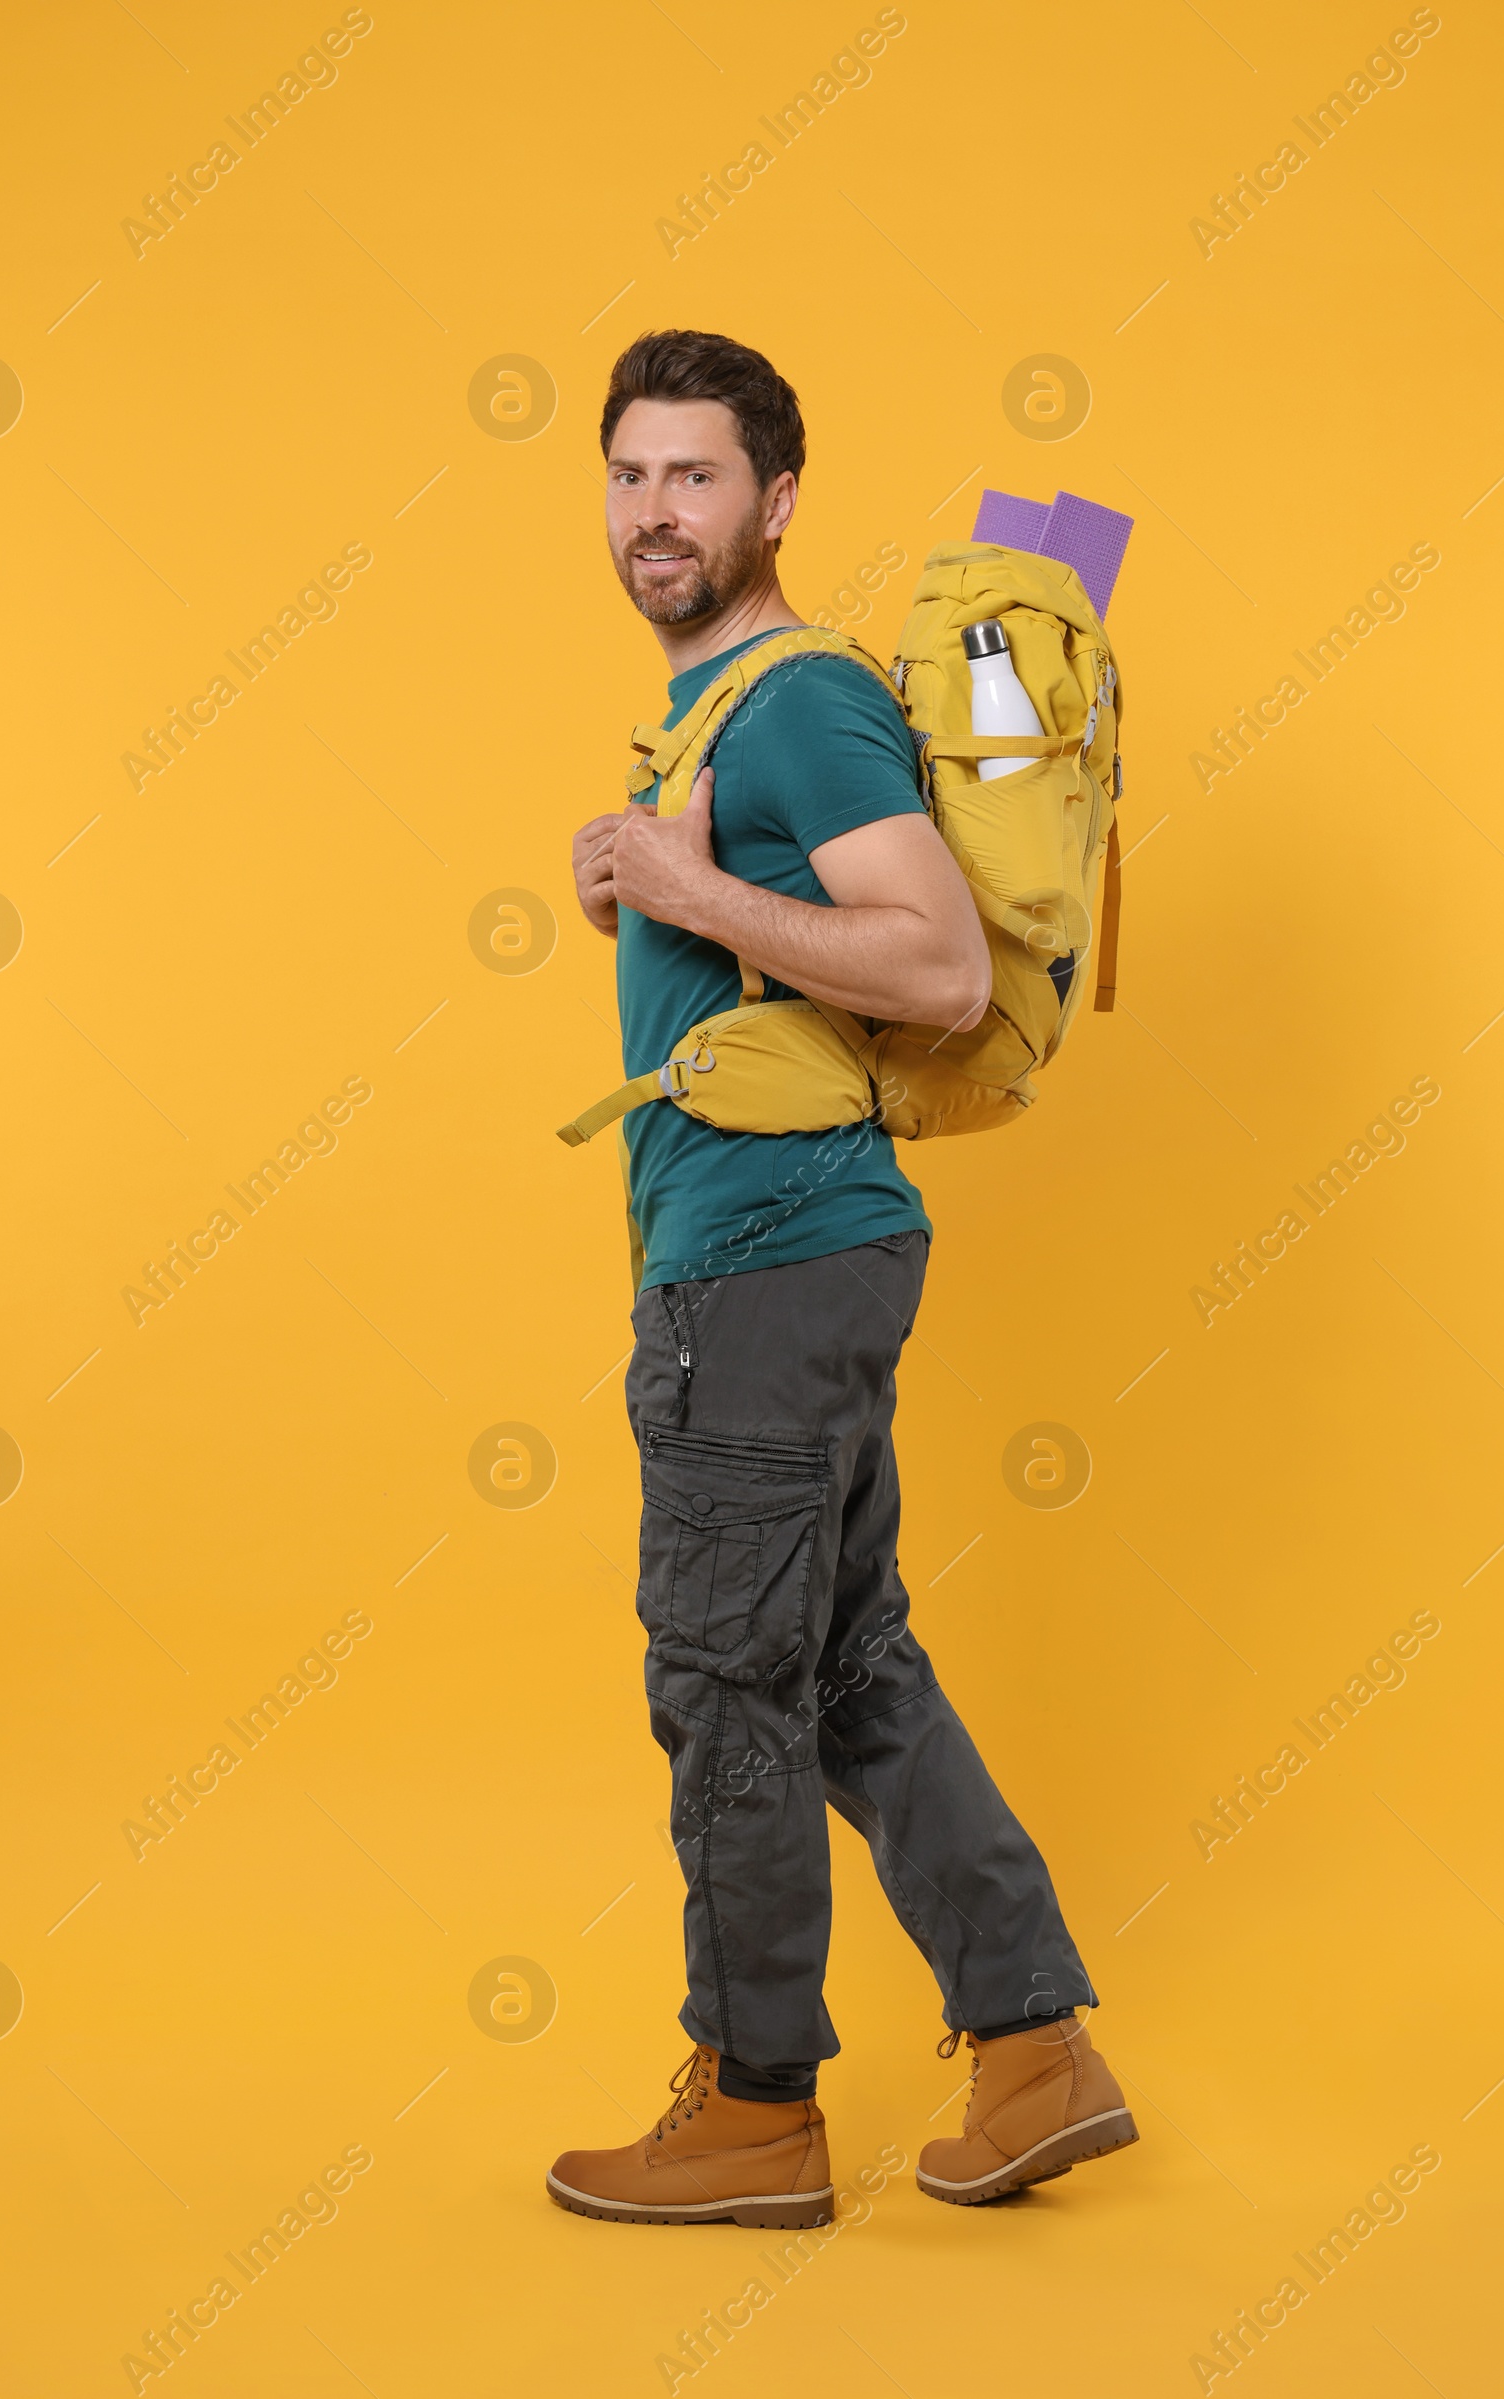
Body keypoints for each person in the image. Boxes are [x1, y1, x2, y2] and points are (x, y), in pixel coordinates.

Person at [548, 329, 1137, 2227]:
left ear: (775, 502)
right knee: (845, 1657)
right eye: (633, 474)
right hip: (791, 1251)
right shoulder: (728, 713)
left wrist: (694, 890)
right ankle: (1035, 2046)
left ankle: (754, 2112)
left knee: (727, 1676)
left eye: (695, 477)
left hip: (768, 1263)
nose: (657, 510)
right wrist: (652, 875)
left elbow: (944, 968)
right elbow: (783, 936)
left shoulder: (796, 704)